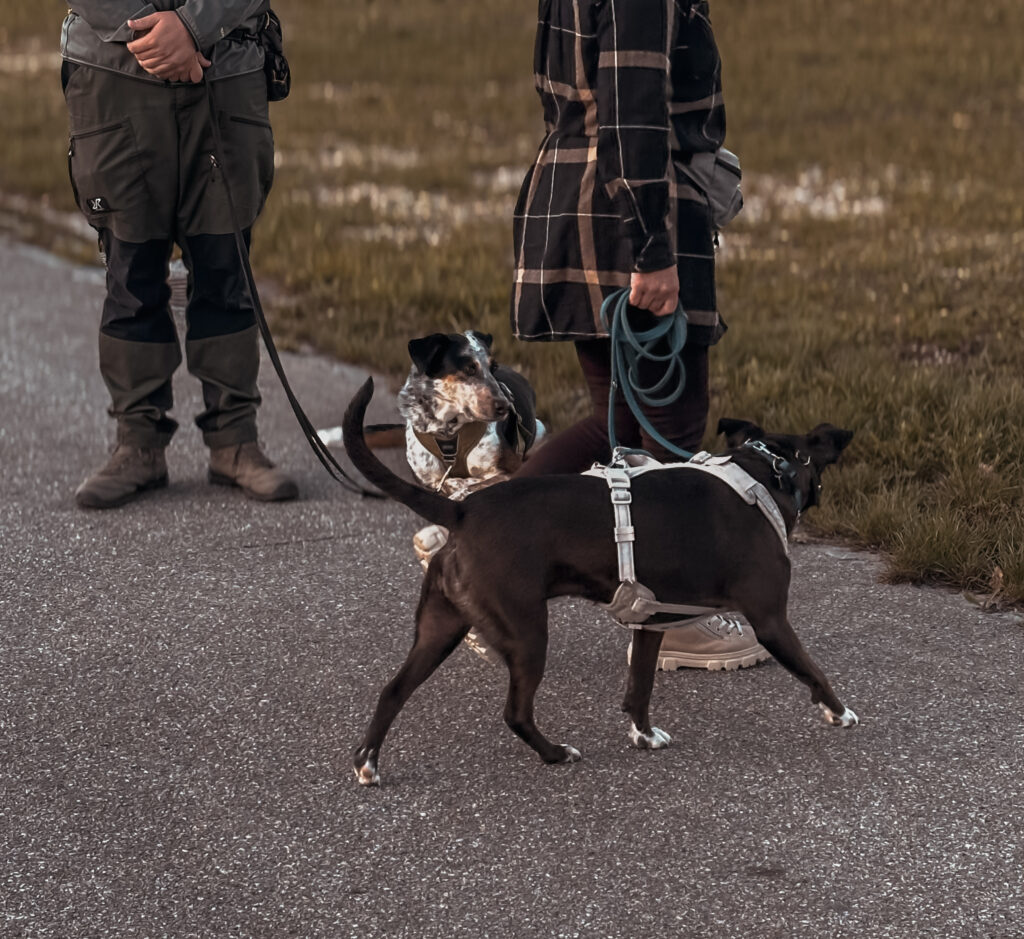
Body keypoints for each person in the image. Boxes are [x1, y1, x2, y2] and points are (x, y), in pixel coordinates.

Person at [511, 0, 768, 671]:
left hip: (587, 195)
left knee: (621, 421)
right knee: (672, 425)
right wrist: (652, 247)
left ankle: (481, 549)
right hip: (628, 211)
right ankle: (674, 616)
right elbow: (631, 107)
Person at [61, 1, 298, 508]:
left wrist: (193, 27)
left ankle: (235, 441)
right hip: (113, 77)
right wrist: (157, 36)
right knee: (130, 273)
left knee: (225, 267)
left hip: (225, 70)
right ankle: (137, 444)